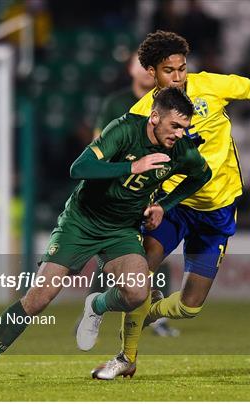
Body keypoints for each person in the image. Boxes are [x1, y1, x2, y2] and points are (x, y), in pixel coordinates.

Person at [78, 30, 250, 380]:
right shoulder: (141, 114)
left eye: (183, 68)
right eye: (170, 71)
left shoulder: (212, 86)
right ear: (152, 73)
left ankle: (135, 310)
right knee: (140, 273)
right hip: (173, 206)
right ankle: (126, 356)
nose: (179, 77)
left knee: (189, 306)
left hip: (218, 210)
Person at [0, 87, 212, 383]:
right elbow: (79, 167)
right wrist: (132, 166)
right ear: (155, 117)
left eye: (185, 128)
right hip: (81, 223)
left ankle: (96, 305)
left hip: (121, 230)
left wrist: (162, 206)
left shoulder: (181, 150)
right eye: (175, 126)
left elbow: (202, 175)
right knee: (39, 299)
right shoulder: (123, 130)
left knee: (137, 293)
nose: (180, 134)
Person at [89, 52, 180, 337]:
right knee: (109, 249)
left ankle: (155, 317)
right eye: (138, 66)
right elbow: (98, 143)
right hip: (120, 187)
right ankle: (93, 307)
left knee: (156, 246)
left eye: (148, 68)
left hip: (154, 187)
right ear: (130, 69)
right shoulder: (115, 104)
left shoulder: (168, 103)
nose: (144, 72)